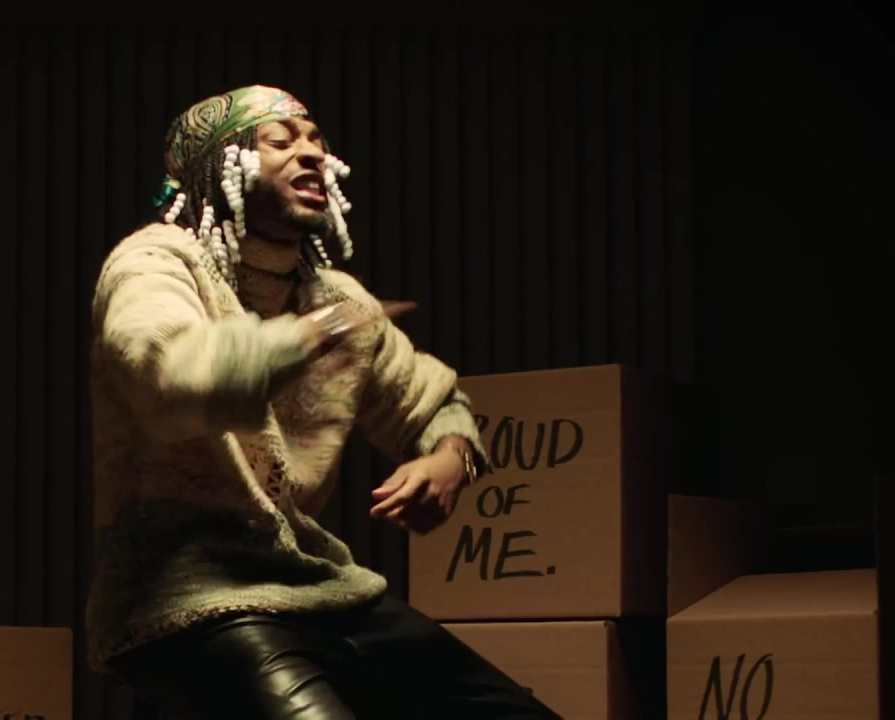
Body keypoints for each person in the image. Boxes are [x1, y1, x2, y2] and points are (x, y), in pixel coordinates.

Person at [86, 85, 561, 719]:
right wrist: (311, 335)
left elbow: (432, 403)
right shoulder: (155, 263)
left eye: (316, 141)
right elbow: (167, 373)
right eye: (280, 141)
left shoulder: (335, 298)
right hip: (186, 600)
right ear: (221, 167)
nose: (311, 153)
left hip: (321, 590)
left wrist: (451, 457)